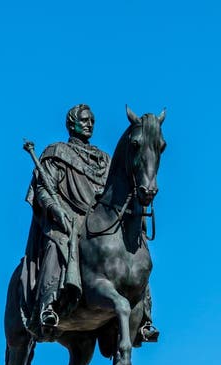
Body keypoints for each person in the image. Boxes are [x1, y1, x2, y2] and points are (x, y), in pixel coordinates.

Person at [20, 104, 158, 342]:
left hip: (101, 218)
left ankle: (144, 316)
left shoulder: (104, 159)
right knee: (58, 242)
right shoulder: (57, 152)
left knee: (136, 244)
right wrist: (55, 209)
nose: (89, 124)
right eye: (84, 120)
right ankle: (49, 304)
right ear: (71, 123)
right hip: (70, 216)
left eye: (92, 120)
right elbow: (43, 188)